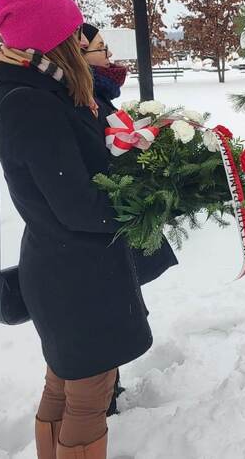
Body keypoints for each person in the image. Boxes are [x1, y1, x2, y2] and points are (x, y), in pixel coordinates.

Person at [0, 0, 151, 459]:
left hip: (64, 264)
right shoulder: (32, 102)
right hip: (75, 274)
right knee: (88, 393)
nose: (84, 41)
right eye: (74, 32)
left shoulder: (39, 89)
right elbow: (76, 204)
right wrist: (140, 207)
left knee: (63, 379)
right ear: (51, 39)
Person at [80, 22, 178, 416]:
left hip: (108, 224)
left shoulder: (98, 93)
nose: (109, 56)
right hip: (97, 228)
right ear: (80, 53)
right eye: (100, 49)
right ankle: (103, 402)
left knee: (112, 309)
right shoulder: (83, 97)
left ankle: (108, 391)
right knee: (101, 316)